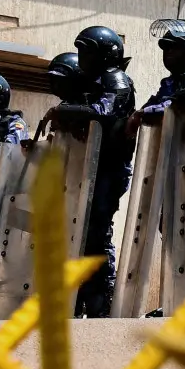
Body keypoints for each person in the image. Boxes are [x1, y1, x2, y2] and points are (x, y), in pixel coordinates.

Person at [44, 26, 136, 317]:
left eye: (87, 51)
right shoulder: (92, 81)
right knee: (79, 233)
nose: (82, 57)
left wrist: (63, 112)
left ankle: (101, 301)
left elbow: (105, 111)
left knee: (96, 234)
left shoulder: (115, 79)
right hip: (89, 167)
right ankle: (82, 297)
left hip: (109, 168)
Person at [128, 19, 185, 134]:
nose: (168, 51)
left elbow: (179, 103)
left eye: (175, 47)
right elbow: (157, 103)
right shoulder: (170, 82)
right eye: (166, 47)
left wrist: (144, 112)